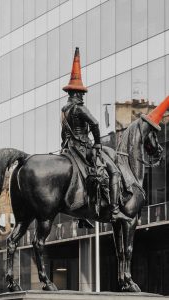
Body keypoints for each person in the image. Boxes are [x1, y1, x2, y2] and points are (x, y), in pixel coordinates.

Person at [61, 47, 131, 223]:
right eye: (81, 93)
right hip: (83, 148)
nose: (82, 96)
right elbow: (95, 124)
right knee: (113, 172)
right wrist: (98, 144)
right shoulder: (79, 108)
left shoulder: (64, 110)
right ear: (76, 93)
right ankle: (115, 211)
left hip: (69, 149)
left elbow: (63, 132)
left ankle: (83, 215)